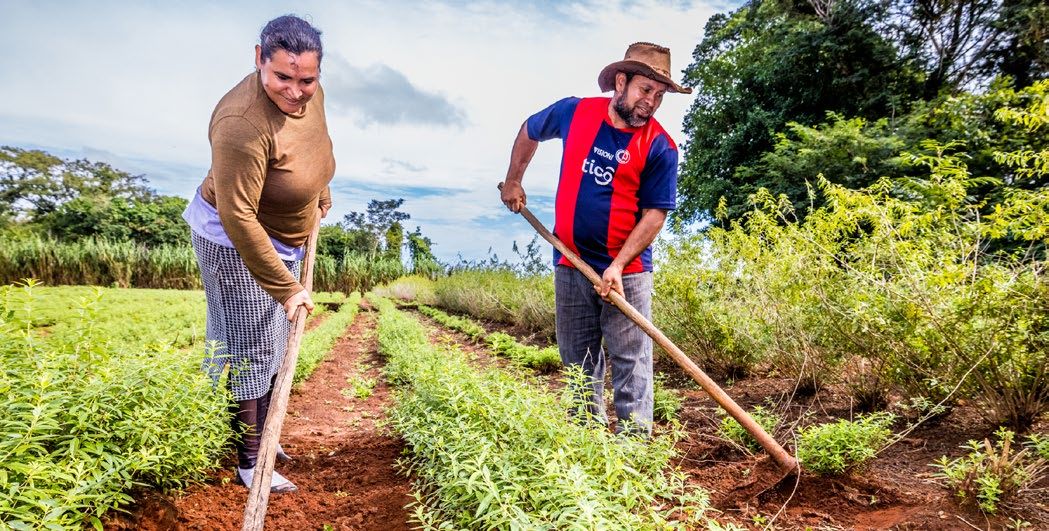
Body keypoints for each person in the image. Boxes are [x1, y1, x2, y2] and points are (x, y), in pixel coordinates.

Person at [500, 42, 691, 436]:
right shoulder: (575, 112)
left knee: (631, 360)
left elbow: (655, 215)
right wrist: (515, 178)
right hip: (570, 261)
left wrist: (618, 265)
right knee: (577, 359)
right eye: (644, 90)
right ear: (621, 82)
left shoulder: (660, 146)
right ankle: (586, 440)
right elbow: (529, 129)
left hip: (629, 272)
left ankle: (634, 447)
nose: (651, 102)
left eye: (658, 96)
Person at [183, 14, 334, 492]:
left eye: (306, 79)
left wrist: (319, 192)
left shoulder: (311, 95)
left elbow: (314, 150)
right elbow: (239, 217)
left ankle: (267, 437)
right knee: (249, 344)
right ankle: (252, 463)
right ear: (258, 60)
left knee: (270, 340)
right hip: (234, 239)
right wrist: (288, 289)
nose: (295, 91)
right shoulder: (240, 123)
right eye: (282, 78)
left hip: (284, 233)